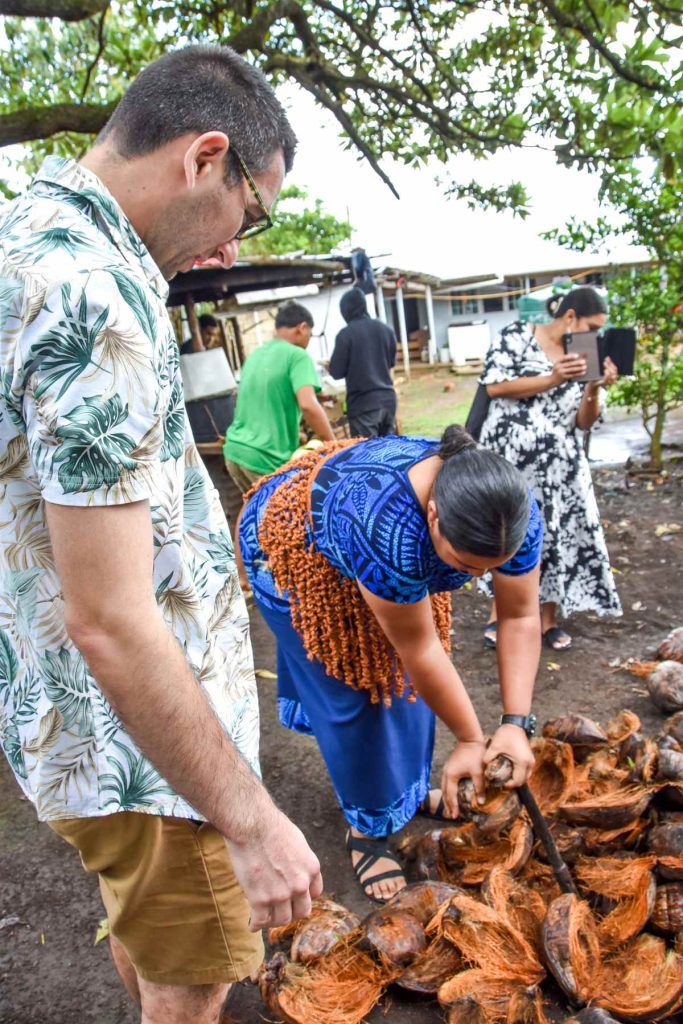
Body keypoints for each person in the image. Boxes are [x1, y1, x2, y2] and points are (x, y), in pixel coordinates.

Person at [0, 44, 322, 1024]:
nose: (233, 247)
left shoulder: (25, 234)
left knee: (149, 933)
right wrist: (251, 818)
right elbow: (111, 616)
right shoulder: (99, 298)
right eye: (249, 212)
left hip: (70, 727)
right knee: (193, 982)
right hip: (148, 756)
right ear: (203, 157)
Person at [238, 424, 543, 903]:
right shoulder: (387, 526)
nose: (480, 580)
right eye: (466, 567)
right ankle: (367, 828)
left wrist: (514, 724)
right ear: (435, 515)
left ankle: (408, 788)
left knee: (408, 692)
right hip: (292, 550)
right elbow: (419, 651)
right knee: (361, 690)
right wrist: (468, 738)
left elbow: (520, 615)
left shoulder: (509, 510)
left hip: (370, 546)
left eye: (492, 567)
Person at [478, 287, 622, 652]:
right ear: (570, 316)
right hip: (511, 459)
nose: (595, 335)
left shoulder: (585, 353)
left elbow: (584, 421)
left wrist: (592, 388)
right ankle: (500, 615)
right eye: (592, 326)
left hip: (561, 466)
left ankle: (549, 620)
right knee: (508, 533)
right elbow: (495, 387)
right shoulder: (515, 337)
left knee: (557, 536)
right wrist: (553, 378)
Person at [223, 300, 335, 493]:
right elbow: (308, 405)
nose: (309, 339)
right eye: (310, 333)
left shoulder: (256, 354)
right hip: (264, 457)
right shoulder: (297, 356)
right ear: (302, 328)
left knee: (257, 517)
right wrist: (334, 444)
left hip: (234, 452)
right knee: (286, 519)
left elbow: (264, 400)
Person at [329, 287, 397, 437]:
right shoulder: (386, 330)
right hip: (388, 400)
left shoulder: (346, 335)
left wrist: (329, 365)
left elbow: (336, 371)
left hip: (363, 405)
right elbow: (391, 363)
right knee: (389, 451)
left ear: (345, 311)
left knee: (367, 455)